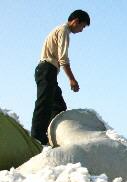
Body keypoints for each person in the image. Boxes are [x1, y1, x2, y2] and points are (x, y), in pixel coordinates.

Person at [31, 9, 90, 145]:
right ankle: (37, 137)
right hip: (47, 69)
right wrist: (72, 79)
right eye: (82, 26)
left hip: (48, 71)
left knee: (58, 106)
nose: (81, 30)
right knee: (44, 103)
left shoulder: (61, 30)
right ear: (76, 21)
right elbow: (63, 59)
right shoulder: (64, 31)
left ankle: (53, 135)